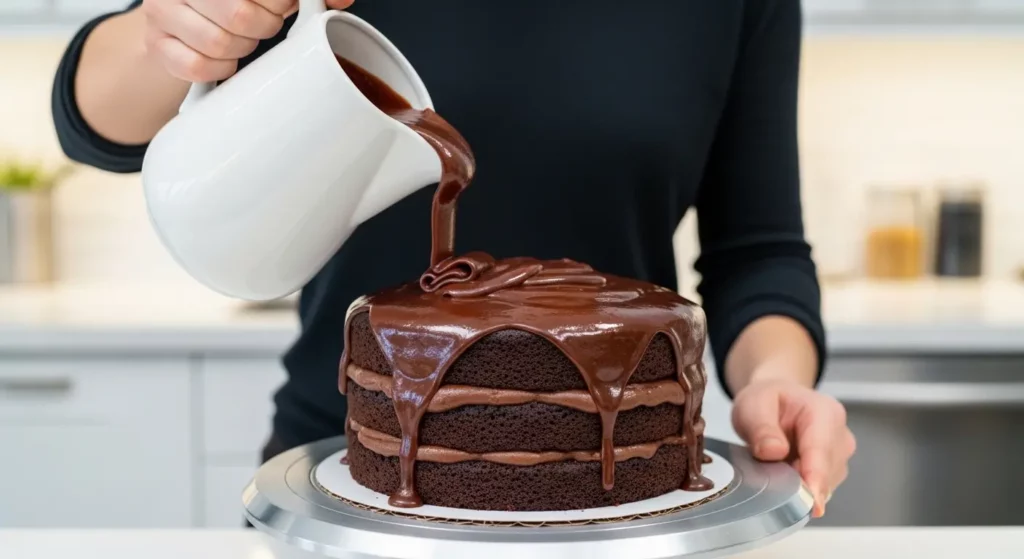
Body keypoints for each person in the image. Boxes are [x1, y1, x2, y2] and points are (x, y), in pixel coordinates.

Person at [53, 0, 855, 518]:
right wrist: (170, 29)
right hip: (348, 480)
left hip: (625, 505)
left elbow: (760, 252)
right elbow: (92, 118)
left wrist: (774, 380)